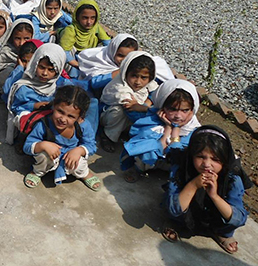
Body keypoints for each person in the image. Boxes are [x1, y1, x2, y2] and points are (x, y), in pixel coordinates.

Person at [162, 126, 248, 254]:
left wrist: (214, 196)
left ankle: (221, 233)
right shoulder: (182, 168)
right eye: (201, 156)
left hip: (215, 215)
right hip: (189, 210)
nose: (207, 164)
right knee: (173, 209)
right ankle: (178, 224)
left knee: (230, 218)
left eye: (215, 159)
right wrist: (193, 185)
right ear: (192, 155)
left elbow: (239, 218)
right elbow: (174, 208)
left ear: (225, 160)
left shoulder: (232, 178)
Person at [22, 85, 101, 191]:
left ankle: (84, 173)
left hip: (70, 158)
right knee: (43, 156)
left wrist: (79, 150)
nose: (63, 119)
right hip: (51, 157)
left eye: (71, 116)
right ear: (54, 106)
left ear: (80, 117)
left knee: (80, 163)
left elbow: (91, 145)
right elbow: (27, 146)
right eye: (60, 112)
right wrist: (43, 145)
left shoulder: (83, 126)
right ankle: (37, 172)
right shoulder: (44, 124)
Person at [121, 79, 201, 182]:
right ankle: (139, 168)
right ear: (162, 107)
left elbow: (176, 154)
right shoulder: (154, 119)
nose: (178, 115)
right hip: (152, 161)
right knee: (146, 144)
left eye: (185, 110)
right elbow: (150, 143)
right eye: (172, 109)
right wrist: (168, 128)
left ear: (192, 110)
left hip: (172, 164)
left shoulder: (194, 131)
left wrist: (175, 129)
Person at [7, 43, 66, 145]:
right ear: (35, 64)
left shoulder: (61, 84)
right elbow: (15, 107)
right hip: (30, 117)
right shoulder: (24, 86)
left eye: (50, 70)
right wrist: (34, 106)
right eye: (41, 67)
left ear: (58, 70)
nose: (44, 73)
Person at [99, 51, 158, 153]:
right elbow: (130, 109)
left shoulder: (149, 83)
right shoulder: (120, 88)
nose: (138, 82)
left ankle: (126, 132)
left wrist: (145, 104)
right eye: (134, 76)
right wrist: (149, 112)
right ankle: (108, 136)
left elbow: (156, 92)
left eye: (143, 77)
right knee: (119, 112)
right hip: (109, 116)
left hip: (135, 113)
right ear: (126, 72)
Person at [59, 0, 111, 78]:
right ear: (77, 17)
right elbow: (64, 52)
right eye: (85, 18)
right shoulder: (71, 30)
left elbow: (108, 43)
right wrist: (79, 65)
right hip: (73, 61)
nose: (89, 22)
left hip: (87, 59)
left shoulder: (96, 28)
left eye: (92, 18)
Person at [0, 18, 35, 98]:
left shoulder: (34, 51)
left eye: (26, 38)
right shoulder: (6, 51)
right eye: (17, 38)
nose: (21, 43)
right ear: (11, 37)